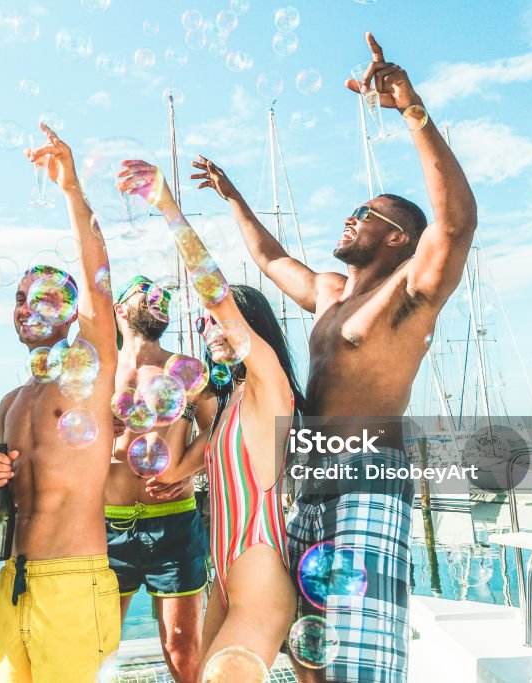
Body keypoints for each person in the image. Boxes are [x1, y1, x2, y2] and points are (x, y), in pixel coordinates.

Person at [190, 33, 478, 683]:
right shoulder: (325, 293)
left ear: (399, 237)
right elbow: (267, 259)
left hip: (366, 480)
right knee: (309, 650)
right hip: (307, 479)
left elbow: (456, 223)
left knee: (361, 656)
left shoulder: (410, 294)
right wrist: (231, 194)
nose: (349, 219)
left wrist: (411, 110)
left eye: (365, 214)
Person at [119, 160, 307, 678]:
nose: (208, 327)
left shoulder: (270, 383)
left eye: (218, 320)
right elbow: (213, 451)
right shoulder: (232, 405)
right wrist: (178, 472)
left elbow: (214, 291)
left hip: (258, 574)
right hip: (222, 575)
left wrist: (166, 205)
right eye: (203, 324)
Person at [0, 123, 120, 683]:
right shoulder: (12, 402)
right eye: (17, 298)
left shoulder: (88, 374)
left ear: (69, 312)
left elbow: (98, 279)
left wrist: (70, 188)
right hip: (16, 579)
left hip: (74, 579)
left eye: (39, 297)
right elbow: (13, 494)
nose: (23, 307)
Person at [106, 275, 217, 683]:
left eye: (163, 295)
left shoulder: (184, 368)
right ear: (120, 309)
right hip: (106, 525)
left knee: (182, 646)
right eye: (144, 291)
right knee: (100, 641)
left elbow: (217, 429)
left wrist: (184, 470)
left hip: (172, 521)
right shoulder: (101, 369)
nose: (159, 296)